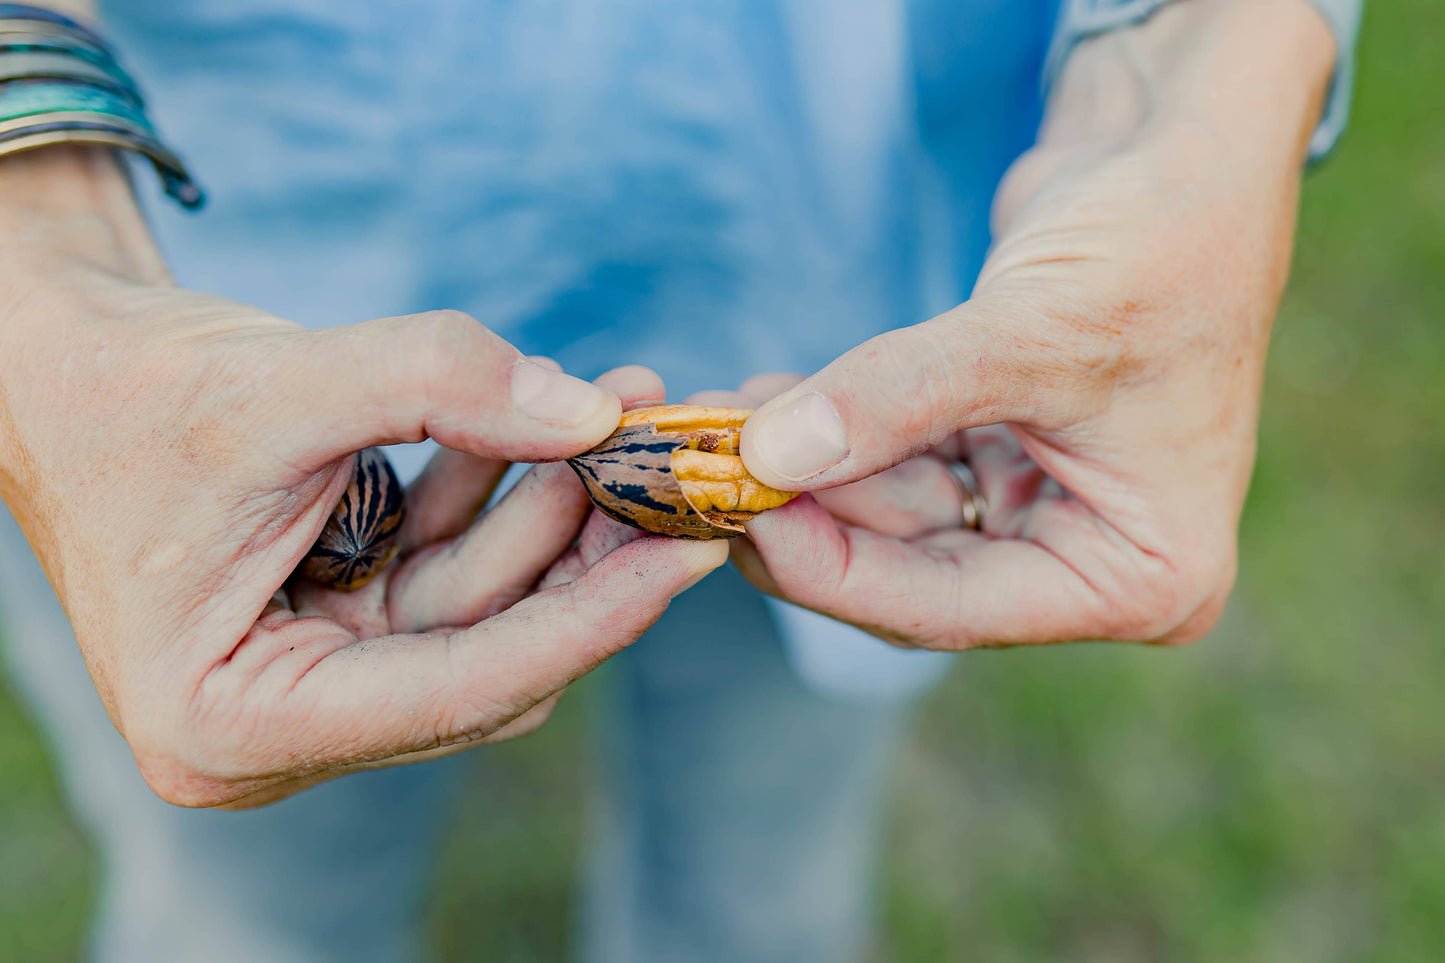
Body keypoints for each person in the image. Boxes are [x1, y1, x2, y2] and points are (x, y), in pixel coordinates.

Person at [0, 1, 1360, 961]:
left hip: (860, 302)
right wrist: (41, 259)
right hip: (220, 371)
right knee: (255, 920)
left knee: (758, 896)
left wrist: (1208, 78)